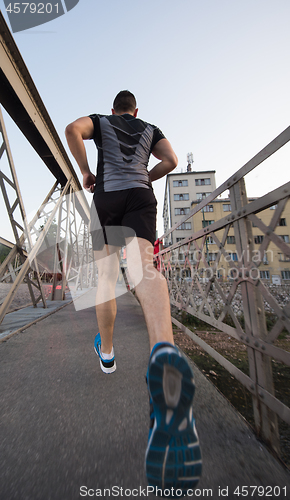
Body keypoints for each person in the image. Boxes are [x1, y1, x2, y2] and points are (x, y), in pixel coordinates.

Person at [65, 91, 202, 495]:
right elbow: (172, 161)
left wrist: (87, 171)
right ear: (136, 111)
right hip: (141, 195)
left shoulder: (100, 122)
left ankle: (106, 352)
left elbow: (73, 129)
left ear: (112, 110)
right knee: (145, 267)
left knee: (105, 280)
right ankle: (163, 350)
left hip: (106, 197)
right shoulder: (150, 128)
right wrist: (148, 177)